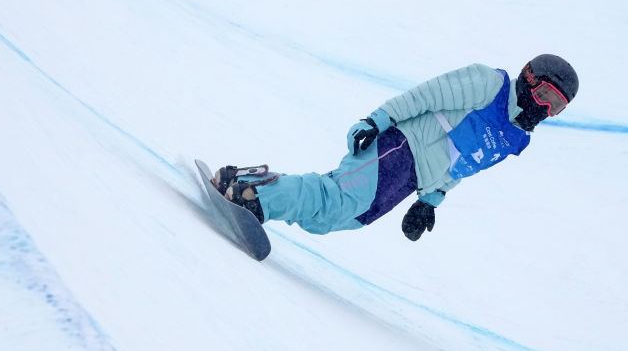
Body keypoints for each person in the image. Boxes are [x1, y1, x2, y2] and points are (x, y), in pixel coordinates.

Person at [213, 54, 578, 241]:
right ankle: (255, 198)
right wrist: (378, 120)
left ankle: (250, 183)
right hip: (401, 145)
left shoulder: (515, 138)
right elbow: (426, 94)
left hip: (413, 177)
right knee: (337, 200)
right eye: (545, 96)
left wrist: (430, 201)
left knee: (342, 218)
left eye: (556, 106)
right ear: (528, 78)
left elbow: (464, 165)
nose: (545, 109)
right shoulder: (489, 84)